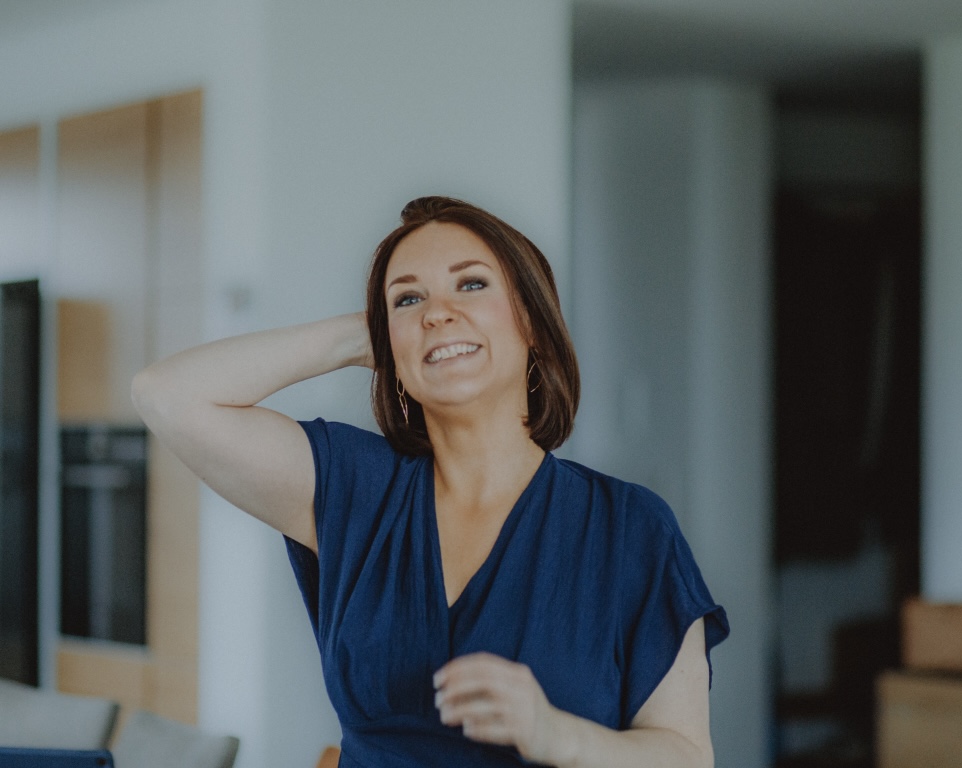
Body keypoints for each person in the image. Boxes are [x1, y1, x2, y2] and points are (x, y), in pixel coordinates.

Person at [132, 196, 728, 767]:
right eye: (407, 299)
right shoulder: (354, 486)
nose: (437, 311)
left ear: (534, 324)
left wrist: (555, 734)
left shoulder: (630, 529)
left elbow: (685, 754)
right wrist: (364, 334)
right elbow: (167, 396)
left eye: (471, 284)